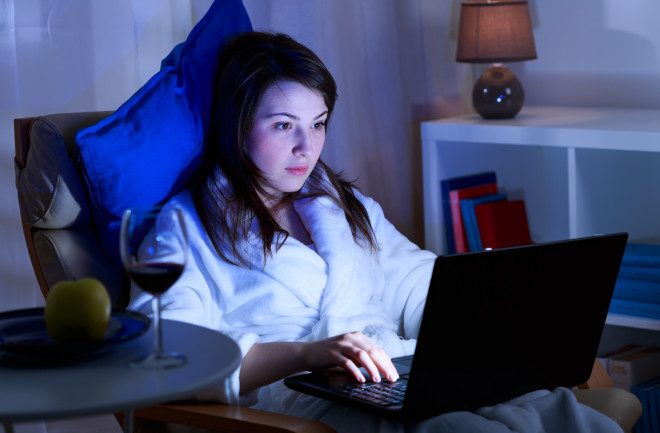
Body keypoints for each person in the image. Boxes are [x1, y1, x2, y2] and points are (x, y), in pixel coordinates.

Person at [128, 32, 622, 433]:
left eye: (318, 124)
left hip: (393, 375)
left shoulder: (344, 207)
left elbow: (419, 285)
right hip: (292, 402)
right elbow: (168, 352)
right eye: (284, 126)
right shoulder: (187, 226)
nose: (308, 147)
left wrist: (499, 319)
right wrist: (307, 353)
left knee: (554, 406)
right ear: (236, 127)